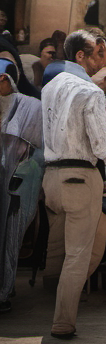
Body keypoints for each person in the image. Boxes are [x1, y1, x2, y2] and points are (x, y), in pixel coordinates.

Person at [41, 31, 106, 338]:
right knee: (77, 254)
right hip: (79, 177)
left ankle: (48, 304)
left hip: (51, 177)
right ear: (80, 56)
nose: (104, 59)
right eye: (99, 53)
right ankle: (62, 322)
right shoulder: (91, 91)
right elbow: (103, 149)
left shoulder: (50, 86)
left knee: (56, 249)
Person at [0, 58, 43, 312]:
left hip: (15, 185)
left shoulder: (30, 107)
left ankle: (3, 291)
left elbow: (38, 152)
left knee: (10, 239)